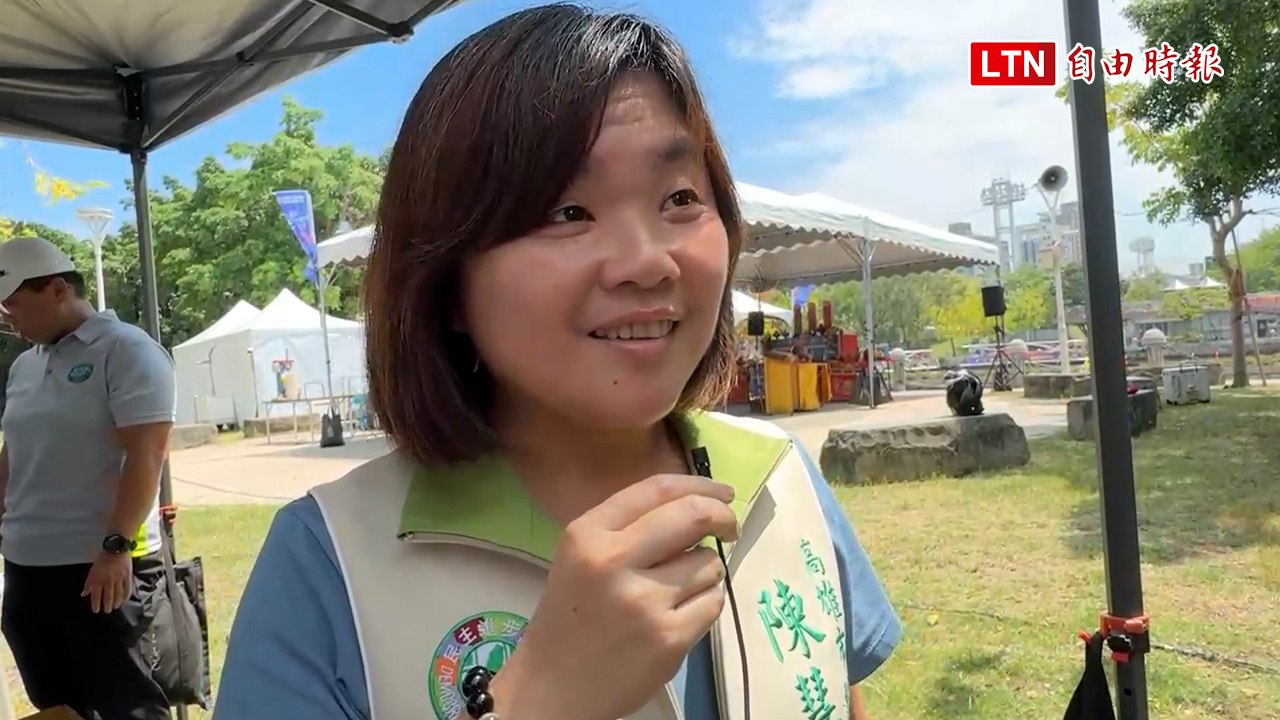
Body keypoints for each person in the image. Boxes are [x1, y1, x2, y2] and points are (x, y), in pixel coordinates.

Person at [214, 5, 901, 720]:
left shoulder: (779, 479)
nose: (647, 262)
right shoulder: (329, 561)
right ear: (447, 280)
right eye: (568, 212)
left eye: (679, 198)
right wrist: (538, 703)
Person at [0, 236, 175, 720]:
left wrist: (116, 548)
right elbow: (16, 449)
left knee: (127, 704)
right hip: (27, 567)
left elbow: (149, 452)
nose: (5, 316)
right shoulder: (24, 367)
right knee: (55, 705)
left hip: (100, 570)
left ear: (58, 289)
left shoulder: (126, 350)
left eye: (13, 304)